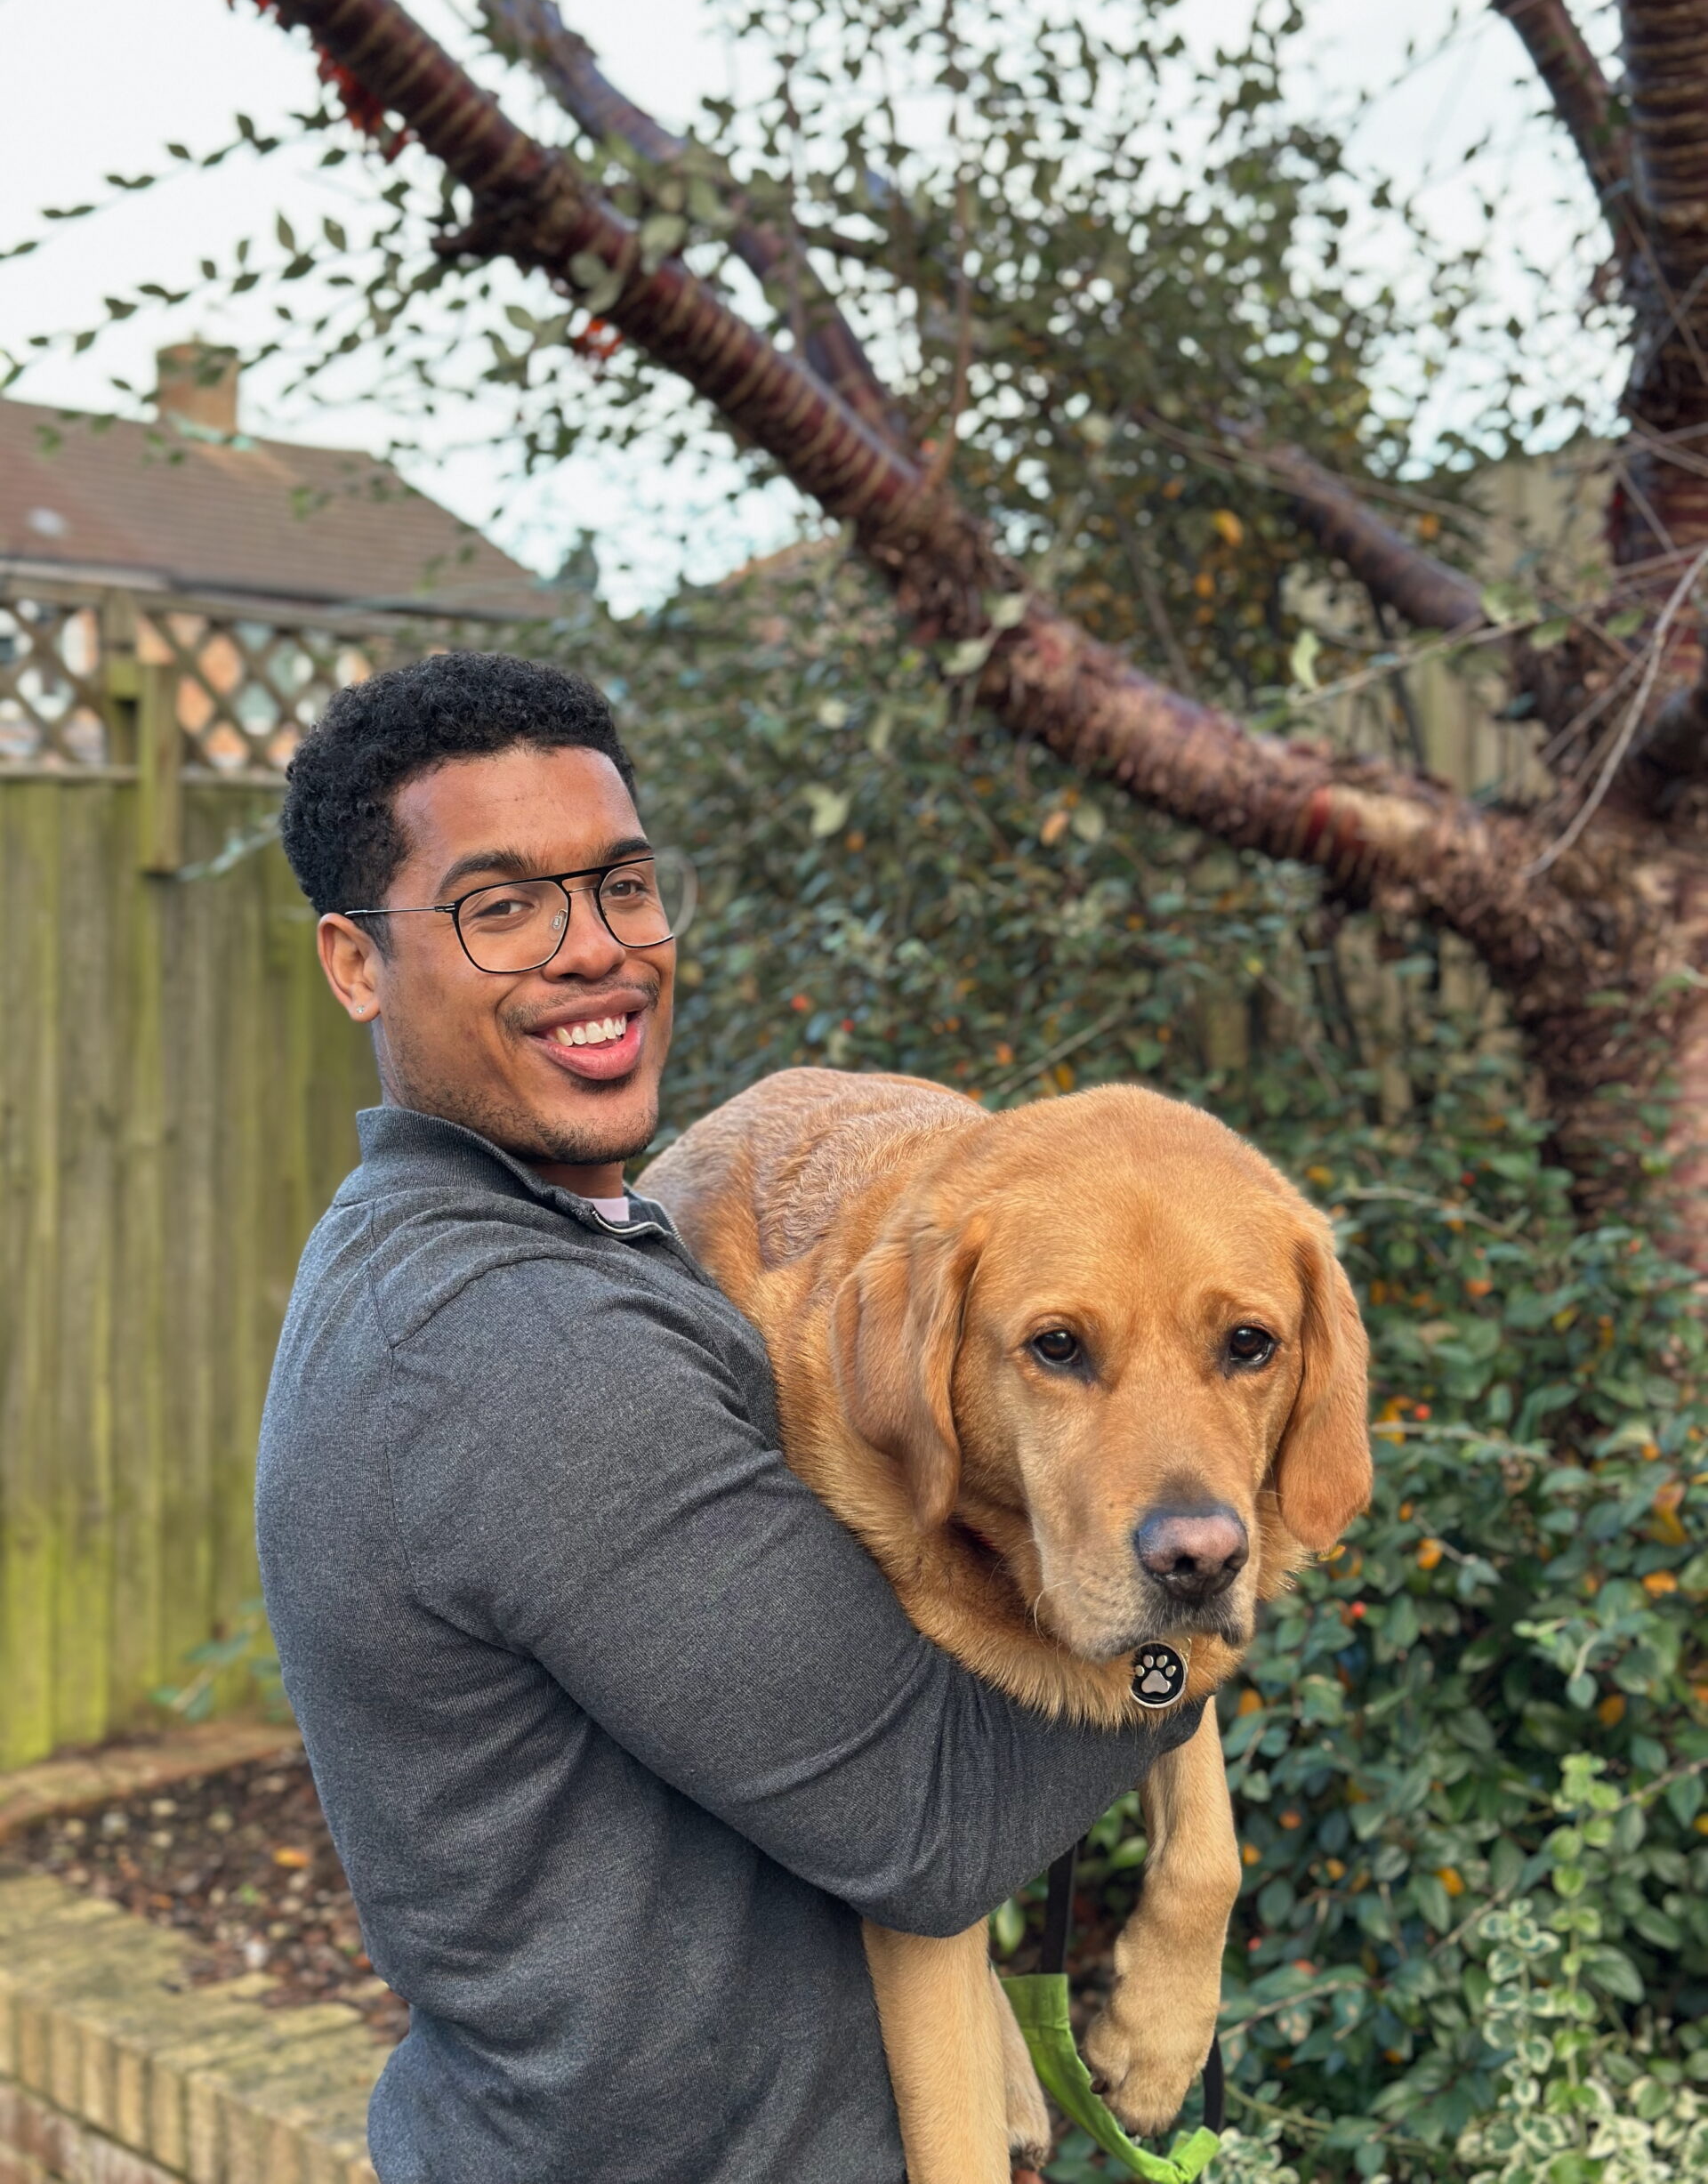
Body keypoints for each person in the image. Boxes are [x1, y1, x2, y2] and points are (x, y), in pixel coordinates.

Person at [260, 650, 1204, 2184]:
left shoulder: (477, 1248)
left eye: (621, 885)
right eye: (502, 908)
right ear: (357, 964)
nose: (596, 951)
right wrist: (1197, 1624)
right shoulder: (520, 1351)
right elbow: (941, 1819)